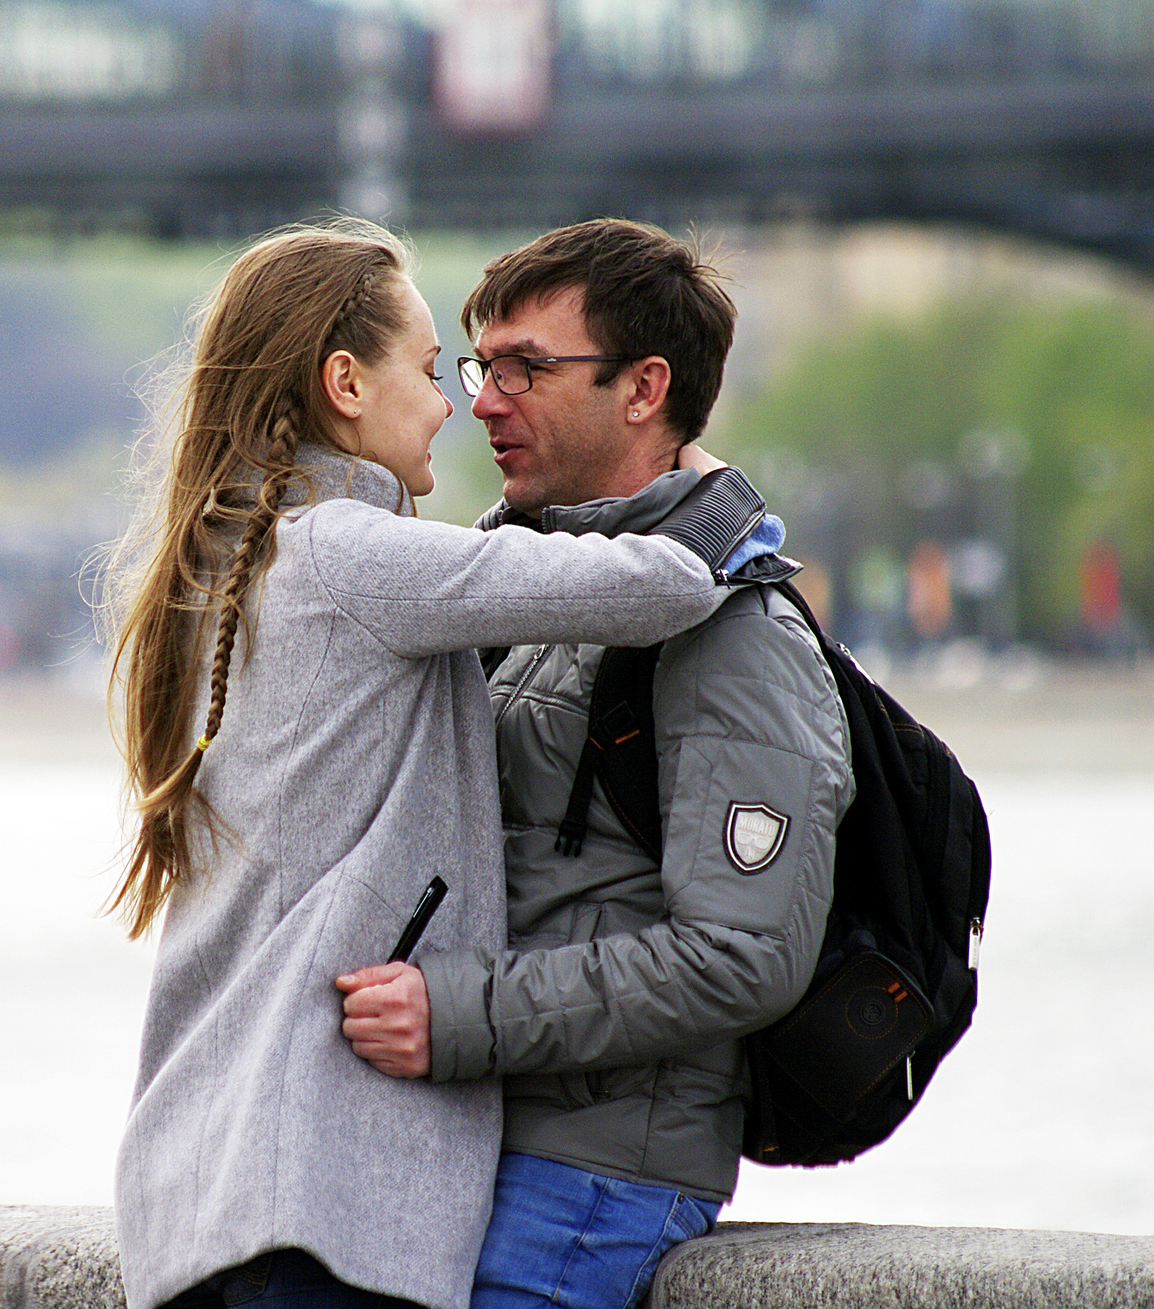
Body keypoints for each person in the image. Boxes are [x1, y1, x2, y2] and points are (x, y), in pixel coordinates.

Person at [105, 219, 770, 1309]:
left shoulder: (233, 560)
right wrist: (717, 488)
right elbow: (664, 585)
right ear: (344, 385)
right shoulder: (350, 554)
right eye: (426, 371)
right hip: (314, 1203)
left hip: (198, 1194)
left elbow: (477, 573)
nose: (450, 404)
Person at [336, 218, 857, 1309]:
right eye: (480, 367)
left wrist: (455, 1015)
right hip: (473, 1143)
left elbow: (742, 956)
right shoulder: (521, 589)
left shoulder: (735, 638)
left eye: (526, 368)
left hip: (597, 1179)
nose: (484, 402)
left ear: (643, 388)